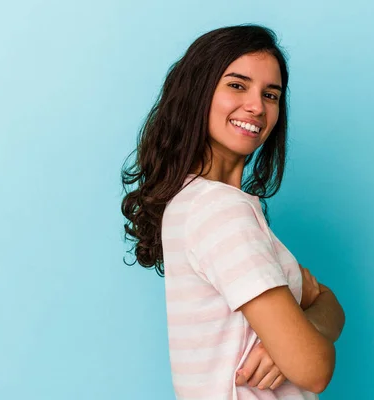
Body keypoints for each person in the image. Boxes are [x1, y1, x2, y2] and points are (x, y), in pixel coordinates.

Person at [121, 24, 345, 400]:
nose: (257, 106)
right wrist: (299, 338)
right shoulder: (219, 210)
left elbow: (330, 304)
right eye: (237, 85)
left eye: (270, 94)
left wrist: (295, 333)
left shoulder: (197, 203)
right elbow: (314, 368)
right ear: (198, 92)